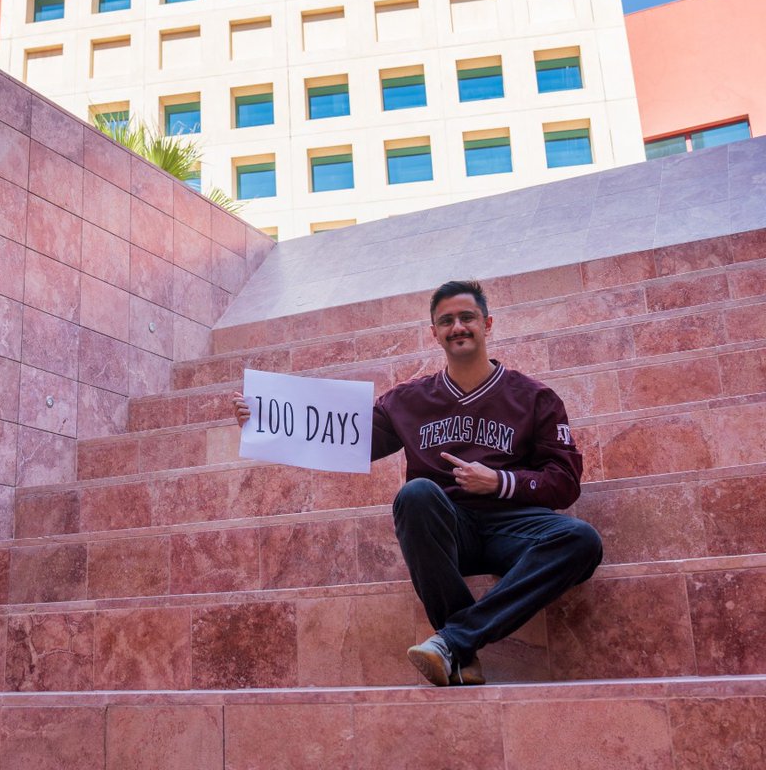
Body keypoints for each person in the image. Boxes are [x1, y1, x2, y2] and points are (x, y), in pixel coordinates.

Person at [232, 278, 602, 687]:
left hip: (514, 530)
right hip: (447, 535)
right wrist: (265, 420)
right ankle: (459, 644)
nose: (457, 327)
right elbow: (343, 435)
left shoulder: (535, 398)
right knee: (416, 494)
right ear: (434, 333)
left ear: (487, 323)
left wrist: (499, 481)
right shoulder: (408, 400)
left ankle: (454, 643)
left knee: (581, 540)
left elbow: (565, 481)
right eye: (447, 320)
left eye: (467, 317)